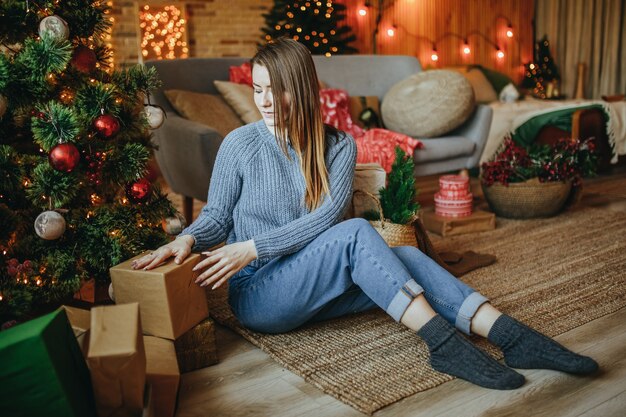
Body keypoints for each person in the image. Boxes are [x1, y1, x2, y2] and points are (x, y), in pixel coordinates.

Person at [132, 38, 598, 389]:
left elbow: (326, 219)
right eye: (257, 91)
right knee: (359, 233)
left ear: (302, 88)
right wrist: (188, 238)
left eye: (276, 90)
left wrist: (252, 244)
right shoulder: (239, 145)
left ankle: (512, 335)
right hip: (260, 295)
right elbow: (216, 216)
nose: (266, 103)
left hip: (314, 284)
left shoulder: (337, 146)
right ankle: (443, 344)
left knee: (410, 258)